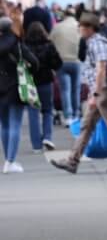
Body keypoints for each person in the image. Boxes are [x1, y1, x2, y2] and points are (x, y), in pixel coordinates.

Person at [51, 13, 107, 174]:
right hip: (99, 91)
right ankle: (72, 161)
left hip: (104, 92)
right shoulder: (92, 43)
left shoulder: (97, 44)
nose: (79, 30)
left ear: (90, 28)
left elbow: (101, 69)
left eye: (82, 27)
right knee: (86, 126)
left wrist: (95, 94)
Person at [0, 16, 39, 173]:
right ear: (11, 28)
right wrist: (29, 70)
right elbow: (35, 62)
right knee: (15, 123)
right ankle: (11, 161)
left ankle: (6, 160)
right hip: (15, 86)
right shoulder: (17, 44)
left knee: (4, 125)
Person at [24, 22, 62, 153]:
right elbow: (58, 63)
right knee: (47, 111)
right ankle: (47, 136)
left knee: (33, 113)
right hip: (46, 81)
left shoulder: (25, 46)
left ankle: (36, 146)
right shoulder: (49, 45)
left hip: (30, 83)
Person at [51, 11, 81, 124]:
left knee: (65, 90)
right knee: (76, 89)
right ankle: (76, 114)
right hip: (76, 61)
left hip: (62, 62)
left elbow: (50, 42)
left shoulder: (57, 27)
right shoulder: (79, 27)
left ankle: (68, 116)